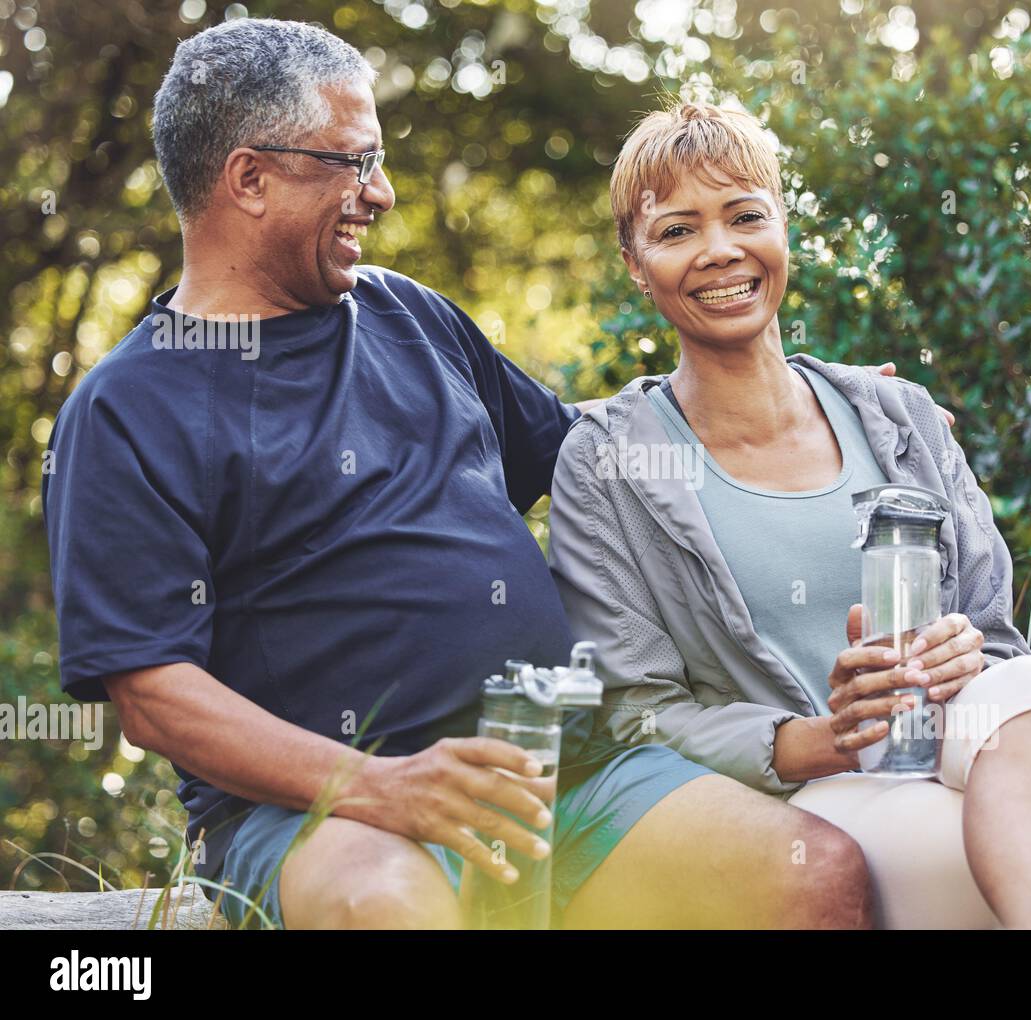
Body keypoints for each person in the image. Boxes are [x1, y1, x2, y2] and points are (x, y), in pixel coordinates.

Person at [41, 20, 881, 929]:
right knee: (391, 910)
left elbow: (590, 454)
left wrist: (811, 402)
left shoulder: (410, 316)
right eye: (353, 163)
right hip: (325, 812)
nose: (384, 193)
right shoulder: (127, 409)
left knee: (811, 875)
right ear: (250, 179)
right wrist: (385, 786)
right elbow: (154, 698)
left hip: (569, 770)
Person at [547, 100, 1031, 929]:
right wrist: (823, 736)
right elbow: (635, 713)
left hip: (963, 751)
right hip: (800, 796)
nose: (720, 250)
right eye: (677, 230)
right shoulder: (607, 462)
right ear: (634, 263)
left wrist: (961, 650)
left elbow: (1001, 646)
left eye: (746, 216)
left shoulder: (897, 414)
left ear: (783, 227)